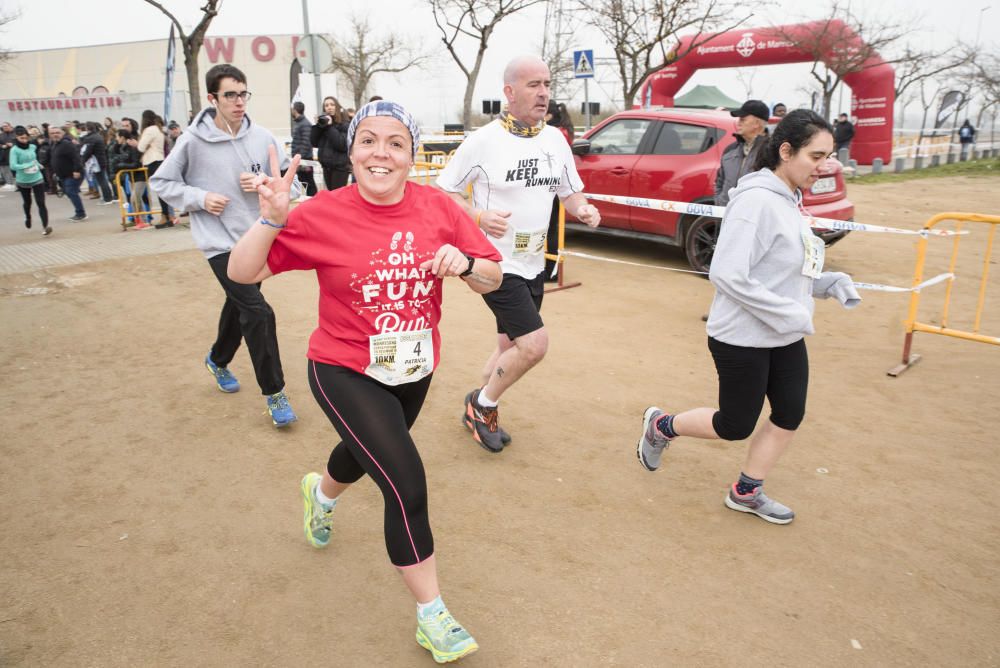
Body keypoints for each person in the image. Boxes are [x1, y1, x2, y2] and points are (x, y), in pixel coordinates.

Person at [227, 100, 502, 663]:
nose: (381, 153)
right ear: (351, 151)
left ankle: (320, 494)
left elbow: (493, 277)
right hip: (342, 366)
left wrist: (466, 264)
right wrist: (273, 216)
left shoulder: (439, 208)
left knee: (364, 452)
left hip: (413, 368)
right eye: (369, 141)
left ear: (412, 155)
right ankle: (433, 616)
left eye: (396, 143)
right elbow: (243, 271)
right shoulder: (322, 213)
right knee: (405, 481)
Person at [635, 110, 861, 525]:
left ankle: (746, 491)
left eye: (829, 156)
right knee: (735, 424)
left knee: (790, 413)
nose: (825, 166)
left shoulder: (790, 198)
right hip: (741, 338)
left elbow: (779, 268)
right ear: (786, 151)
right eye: (816, 156)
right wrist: (791, 311)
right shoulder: (756, 201)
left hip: (784, 335)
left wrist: (824, 283)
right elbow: (727, 272)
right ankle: (662, 426)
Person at [436, 55, 601, 453]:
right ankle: (483, 404)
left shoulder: (554, 140)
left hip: (533, 264)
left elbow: (568, 189)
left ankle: (478, 401)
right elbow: (444, 192)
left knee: (509, 346)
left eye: (546, 84)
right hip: (495, 265)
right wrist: (478, 215)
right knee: (534, 345)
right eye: (533, 85)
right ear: (509, 92)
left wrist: (582, 207)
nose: (543, 93)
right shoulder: (483, 141)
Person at [150, 63, 300, 428]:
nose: (238, 102)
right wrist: (200, 198)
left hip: (257, 239)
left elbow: (291, 187)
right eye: (230, 94)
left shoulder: (263, 137)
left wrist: (267, 181)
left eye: (243, 93)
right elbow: (162, 181)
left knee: (240, 306)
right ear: (212, 98)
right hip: (218, 243)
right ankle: (275, 393)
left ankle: (217, 359)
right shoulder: (192, 141)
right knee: (258, 311)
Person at [542, 100, 575, 281]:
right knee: (549, 228)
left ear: (549, 115)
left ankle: (552, 270)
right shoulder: (561, 131)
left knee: (552, 229)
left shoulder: (555, 134)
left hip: (553, 185)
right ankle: (549, 266)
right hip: (551, 184)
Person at [715, 99, 770, 207]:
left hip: (752, 218)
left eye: (743, 119)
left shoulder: (772, 152)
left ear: (757, 123)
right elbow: (719, 181)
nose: (738, 122)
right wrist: (719, 201)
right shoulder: (730, 150)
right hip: (725, 216)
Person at [9, 125, 51, 235]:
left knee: (41, 202)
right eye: (21, 138)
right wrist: (27, 165)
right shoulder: (14, 150)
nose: (24, 140)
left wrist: (39, 165)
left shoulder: (32, 147)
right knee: (28, 202)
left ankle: (45, 227)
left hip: (37, 177)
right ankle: (28, 216)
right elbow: (13, 166)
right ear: (16, 138)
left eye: (25, 137)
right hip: (23, 180)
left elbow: (34, 159)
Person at [137, 110, 173, 228]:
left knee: (159, 190)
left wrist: (141, 144)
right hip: (160, 160)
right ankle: (167, 215)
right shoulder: (158, 129)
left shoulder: (149, 130)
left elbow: (141, 147)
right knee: (162, 190)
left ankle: (165, 216)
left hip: (152, 161)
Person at [310, 96, 350, 190]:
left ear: (337, 107)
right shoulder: (323, 125)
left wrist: (329, 127)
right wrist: (317, 126)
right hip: (326, 166)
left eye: (332, 104)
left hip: (340, 168)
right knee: (331, 196)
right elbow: (314, 142)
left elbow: (341, 145)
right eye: (326, 105)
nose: (329, 107)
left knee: (337, 197)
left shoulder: (344, 124)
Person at [49, 125, 87, 221]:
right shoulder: (54, 144)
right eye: (53, 133)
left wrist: (77, 170)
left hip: (73, 174)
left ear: (62, 134)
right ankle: (79, 211)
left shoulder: (66, 144)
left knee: (71, 192)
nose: (55, 135)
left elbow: (76, 158)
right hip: (63, 175)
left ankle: (80, 213)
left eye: (57, 133)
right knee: (69, 192)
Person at [80, 122, 114, 204]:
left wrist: (82, 161)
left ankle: (107, 198)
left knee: (102, 181)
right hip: (100, 160)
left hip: (96, 162)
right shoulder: (97, 136)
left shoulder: (91, 138)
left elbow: (88, 151)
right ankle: (107, 197)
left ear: (88, 129)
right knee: (103, 180)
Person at [289, 101, 317, 196]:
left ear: (296, 110)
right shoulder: (299, 123)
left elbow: (306, 143)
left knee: (309, 183)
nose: (291, 111)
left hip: (305, 160)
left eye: (292, 109)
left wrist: (299, 158)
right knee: (304, 181)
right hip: (300, 159)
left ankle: (314, 201)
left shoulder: (305, 124)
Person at [0, 121, 16, 190]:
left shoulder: (14, 134)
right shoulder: (1, 135)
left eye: (6, 126)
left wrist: (12, 145)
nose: (5, 127)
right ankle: (9, 183)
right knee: (4, 169)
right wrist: (2, 146)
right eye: (4, 126)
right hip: (3, 154)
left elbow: (18, 143)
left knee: (14, 170)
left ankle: (16, 184)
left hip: (13, 154)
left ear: (10, 126)